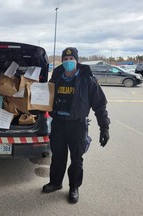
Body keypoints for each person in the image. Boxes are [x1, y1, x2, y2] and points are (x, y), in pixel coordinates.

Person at [43, 47, 110, 204]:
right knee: (57, 156)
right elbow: (45, 99)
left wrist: (104, 128)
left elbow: (100, 105)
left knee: (76, 158)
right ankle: (56, 183)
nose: (68, 62)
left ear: (77, 61)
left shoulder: (87, 80)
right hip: (58, 123)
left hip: (77, 125)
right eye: (65, 60)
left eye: (71, 59)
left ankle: (74, 187)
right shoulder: (56, 78)